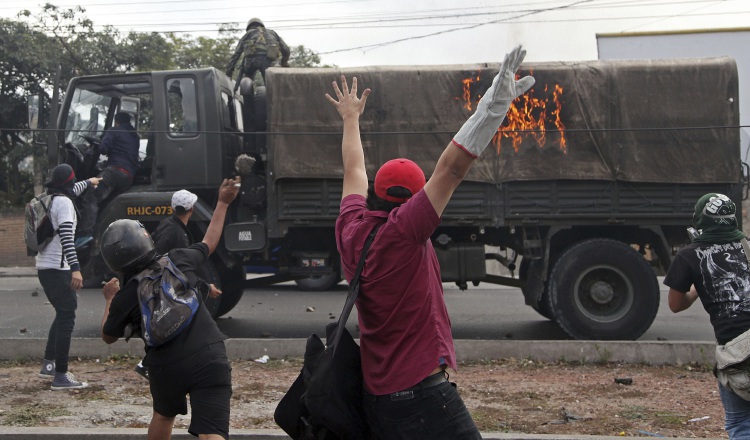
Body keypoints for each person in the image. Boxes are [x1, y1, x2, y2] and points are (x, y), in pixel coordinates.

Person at [327, 46, 534, 439]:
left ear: (376, 194)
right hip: (421, 396)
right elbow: (453, 167)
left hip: (378, 397)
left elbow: (353, 168)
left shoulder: (350, 226)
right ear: (417, 198)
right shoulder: (407, 230)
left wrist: (351, 118)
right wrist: (494, 104)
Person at [99, 177, 240, 440]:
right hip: (208, 352)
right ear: (145, 240)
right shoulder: (177, 258)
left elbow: (108, 335)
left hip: (165, 365)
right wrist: (222, 202)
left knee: (164, 416)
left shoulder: (126, 295)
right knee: (212, 433)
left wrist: (110, 298)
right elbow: (209, 242)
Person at [664, 192, 750, 439]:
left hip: (738, 355)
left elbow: (676, 305)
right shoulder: (748, 246)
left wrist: (699, 288)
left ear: (700, 220)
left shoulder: (689, 256)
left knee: (741, 423)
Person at [130, 189, 222, 380]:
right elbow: (179, 267)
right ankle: (147, 364)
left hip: (160, 283)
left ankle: (150, 364)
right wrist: (205, 285)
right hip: (164, 286)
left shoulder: (170, 225)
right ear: (192, 209)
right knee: (172, 324)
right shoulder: (177, 233)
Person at [36, 163, 101, 390]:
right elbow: (66, 237)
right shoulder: (64, 204)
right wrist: (75, 268)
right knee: (67, 317)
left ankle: (49, 365)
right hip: (58, 268)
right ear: (68, 182)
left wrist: (90, 182)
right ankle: (61, 376)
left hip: (46, 267)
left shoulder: (53, 196)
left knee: (62, 312)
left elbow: (74, 189)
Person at [76, 111, 140, 247]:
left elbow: (104, 149)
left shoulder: (114, 130)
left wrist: (103, 139)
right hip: (128, 176)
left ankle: (85, 234)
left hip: (115, 172)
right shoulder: (135, 136)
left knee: (91, 195)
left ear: (116, 122)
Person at [225, 17, 290, 84]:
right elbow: (286, 50)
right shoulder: (272, 33)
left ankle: (247, 90)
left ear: (249, 27)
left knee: (247, 77)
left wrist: (228, 73)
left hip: (250, 62)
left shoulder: (248, 34)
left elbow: (236, 55)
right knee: (271, 82)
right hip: (269, 61)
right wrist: (284, 62)